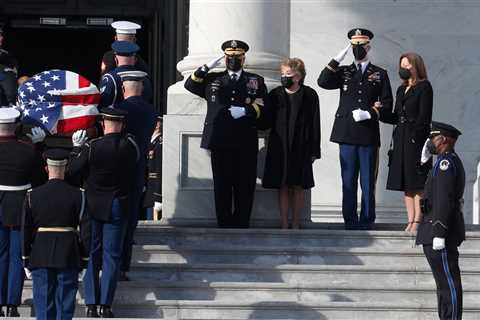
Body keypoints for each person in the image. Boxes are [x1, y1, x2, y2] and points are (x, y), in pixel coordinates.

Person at [184, 39, 267, 228]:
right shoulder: (213, 79)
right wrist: (205, 67)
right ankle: (224, 223)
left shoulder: (254, 80)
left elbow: (264, 105)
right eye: (229, 57)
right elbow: (190, 85)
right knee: (222, 185)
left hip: (245, 140)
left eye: (237, 57)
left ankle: (242, 223)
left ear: (243, 58)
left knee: (245, 185)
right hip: (219, 140)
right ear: (224, 58)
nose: (233, 60)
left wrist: (246, 111)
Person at [317, 28, 393, 230]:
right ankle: (349, 221)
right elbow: (322, 81)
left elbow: (387, 104)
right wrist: (336, 59)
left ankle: (367, 220)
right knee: (348, 180)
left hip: (368, 134)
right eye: (354, 46)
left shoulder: (379, 73)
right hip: (347, 133)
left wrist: (370, 113)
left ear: (369, 46)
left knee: (368, 182)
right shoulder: (343, 72)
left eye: (361, 45)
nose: (358, 49)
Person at [68, 109, 138, 318]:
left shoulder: (92, 146)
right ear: (122, 124)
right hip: (118, 204)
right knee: (112, 256)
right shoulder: (130, 146)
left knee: (92, 254)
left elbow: (72, 171)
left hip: (93, 205)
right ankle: (105, 305)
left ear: (103, 123)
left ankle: (90, 304)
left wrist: (75, 150)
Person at [21, 149, 91, 320]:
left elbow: (25, 230)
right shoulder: (80, 195)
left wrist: (25, 258)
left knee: (44, 304)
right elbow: (87, 231)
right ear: (66, 168)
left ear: (46, 168)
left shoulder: (32, 195)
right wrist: (84, 260)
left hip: (40, 254)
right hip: (69, 254)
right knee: (65, 305)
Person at [261, 58, 320, 229]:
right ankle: (284, 222)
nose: (284, 77)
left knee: (298, 185)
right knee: (283, 185)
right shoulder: (275, 94)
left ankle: (296, 222)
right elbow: (266, 121)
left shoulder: (309, 94)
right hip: (280, 145)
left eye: (288, 74)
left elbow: (315, 123)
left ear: (298, 76)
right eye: (282, 74)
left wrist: (315, 150)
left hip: (302, 145)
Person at [416, 121, 465, 320]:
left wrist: (439, 231)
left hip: (439, 232)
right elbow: (429, 190)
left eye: (432, 138)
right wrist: (424, 162)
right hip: (432, 231)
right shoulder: (441, 162)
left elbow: (444, 199)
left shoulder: (446, 163)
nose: (429, 142)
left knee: (449, 284)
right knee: (443, 285)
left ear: (442, 139)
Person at [0, 108, 46, 317]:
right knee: (17, 257)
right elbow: (39, 180)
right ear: (16, 126)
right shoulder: (28, 150)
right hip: (19, 207)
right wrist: (39, 146)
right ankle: (11, 304)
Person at [381, 53, 433, 233]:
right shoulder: (401, 89)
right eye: (401, 65)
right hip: (400, 137)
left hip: (415, 138)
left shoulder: (424, 87)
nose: (403, 69)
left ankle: (418, 220)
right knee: (405, 183)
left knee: (417, 181)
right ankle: (410, 219)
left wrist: (416, 138)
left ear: (415, 66)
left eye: (406, 65)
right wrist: (380, 112)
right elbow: (396, 116)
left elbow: (424, 117)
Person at [115, 71, 156, 280]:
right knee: (130, 220)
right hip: (139, 171)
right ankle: (123, 266)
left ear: (123, 88)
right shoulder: (150, 111)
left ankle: (111, 264)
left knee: (115, 220)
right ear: (141, 88)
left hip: (117, 172)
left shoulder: (119, 110)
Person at [98, 41, 152, 109]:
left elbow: (103, 105)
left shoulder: (110, 78)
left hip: (118, 119)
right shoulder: (145, 79)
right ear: (135, 60)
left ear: (116, 60)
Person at [143, 115, 163, 221]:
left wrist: (159, 196)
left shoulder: (160, 143)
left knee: (153, 222)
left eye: (158, 122)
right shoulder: (149, 142)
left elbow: (160, 169)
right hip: (148, 186)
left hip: (155, 188)